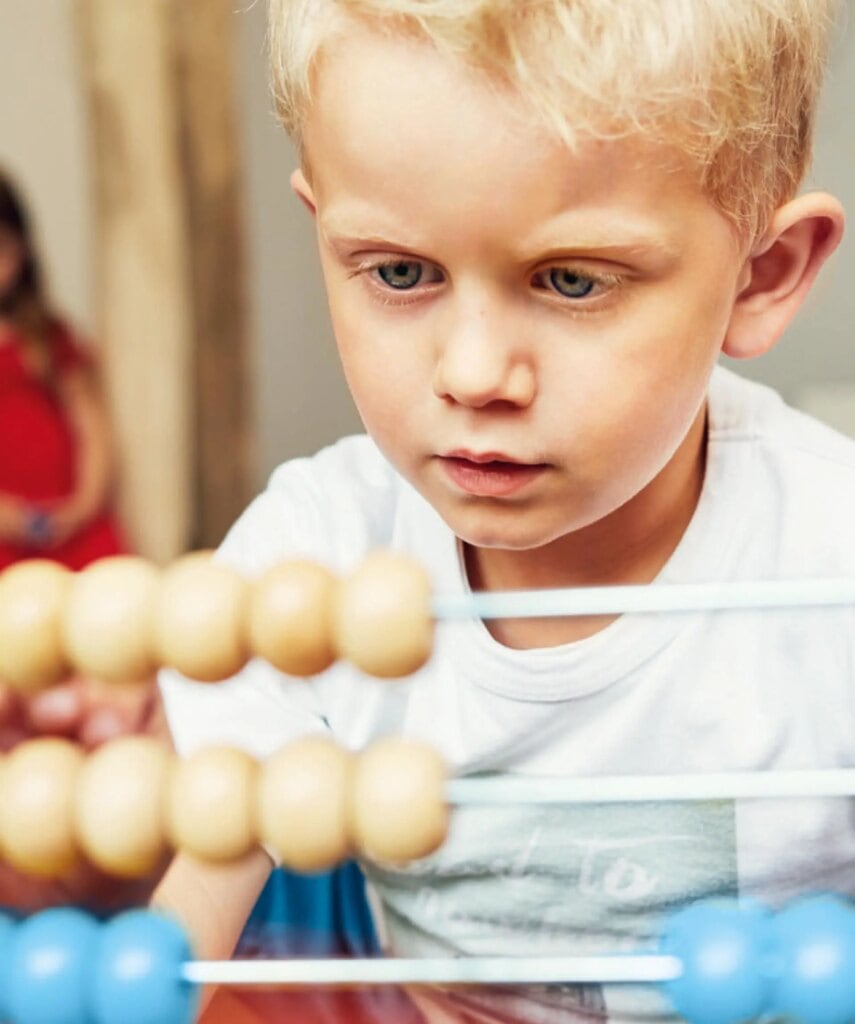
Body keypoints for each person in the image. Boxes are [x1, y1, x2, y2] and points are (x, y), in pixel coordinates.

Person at [155, 1, 855, 1020]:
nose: (475, 373)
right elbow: (180, 940)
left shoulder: (832, 566)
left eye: (570, 281)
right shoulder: (305, 573)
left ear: (762, 274)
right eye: (401, 272)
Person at [0, 169, 128, 574]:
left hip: (71, 526)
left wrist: (83, 505)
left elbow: (92, 426)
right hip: (4, 533)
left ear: (21, 250)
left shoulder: (46, 336)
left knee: (110, 592)